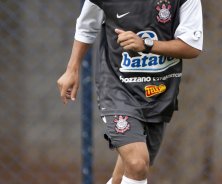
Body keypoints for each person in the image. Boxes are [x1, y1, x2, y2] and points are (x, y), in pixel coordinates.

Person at [57, 0, 203, 183]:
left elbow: (192, 46)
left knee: (125, 174)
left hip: (159, 92)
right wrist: (72, 69)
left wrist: (147, 44)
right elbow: (87, 27)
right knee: (137, 164)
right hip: (117, 87)